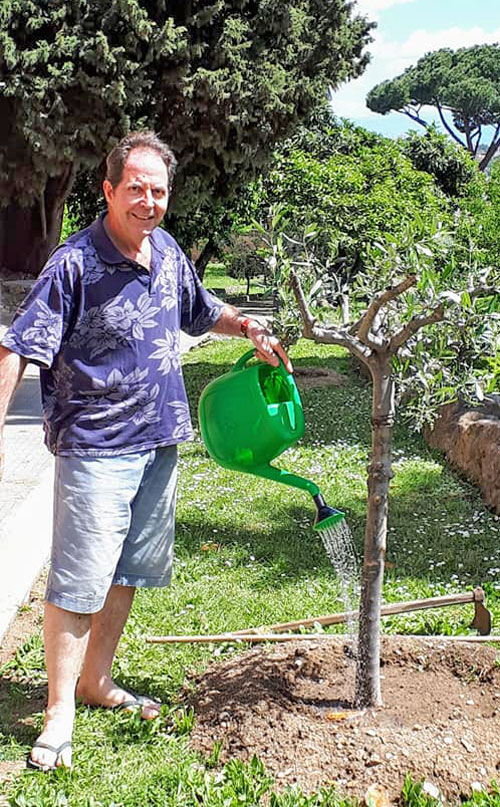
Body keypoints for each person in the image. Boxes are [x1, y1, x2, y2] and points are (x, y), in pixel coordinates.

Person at [0, 130, 292, 771]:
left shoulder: (166, 251)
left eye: (159, 190)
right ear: (108, 190)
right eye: (136, 188)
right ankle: (58, 713)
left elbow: (197, 309)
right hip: (96, 445)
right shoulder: (74, 263)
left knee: (128, 570)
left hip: (159, 437)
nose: (149, 201)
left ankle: (95, 681)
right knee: (79, 580)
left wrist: (243, 324)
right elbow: (19, 345)